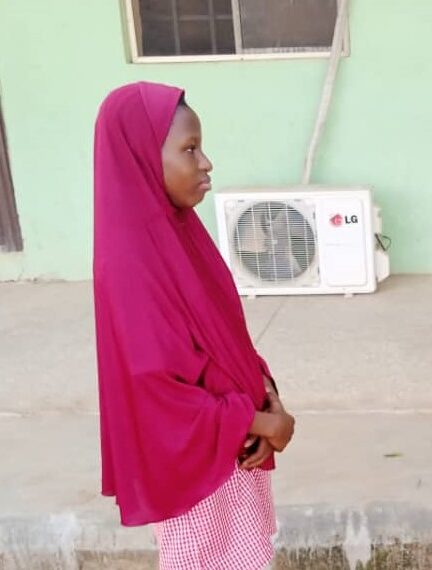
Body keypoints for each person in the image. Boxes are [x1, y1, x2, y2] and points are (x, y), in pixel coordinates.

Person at [93, 81, 295, 569]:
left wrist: (269, 395)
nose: (206, 163)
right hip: (196, 464)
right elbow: (153, 382)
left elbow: (227, 339)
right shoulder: (131, 259)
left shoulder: (181, 236)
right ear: (142, 157)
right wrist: (260, 421)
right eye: (189, 149)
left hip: (233, 449)